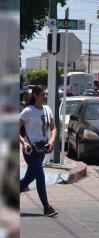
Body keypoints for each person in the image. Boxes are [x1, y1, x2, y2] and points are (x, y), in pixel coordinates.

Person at [19, 86, 58, 217]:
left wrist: (51, 141)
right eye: (43, 94)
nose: (45, 96)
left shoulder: (47, 109)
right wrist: (23, 142)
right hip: (30, 150)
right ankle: (47, 208)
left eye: (45, 94)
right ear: (35, 95)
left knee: (28, 179)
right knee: (40, 177)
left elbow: (53, 128)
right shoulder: (27, 111)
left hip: (41, 150)